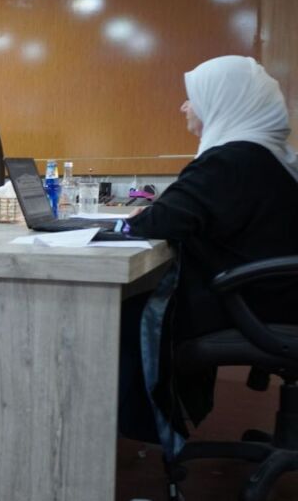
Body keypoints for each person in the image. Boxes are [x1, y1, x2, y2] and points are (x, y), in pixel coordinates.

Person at [119, 55, 298, 454]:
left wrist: (130, 222)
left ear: (223, 101)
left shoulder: (232, 159)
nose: (184, 106)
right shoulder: (269, 154)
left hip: (255, 302)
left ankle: (138, 430)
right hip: (279, 298)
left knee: (122, 314)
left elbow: (160, 222)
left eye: (193, 97)